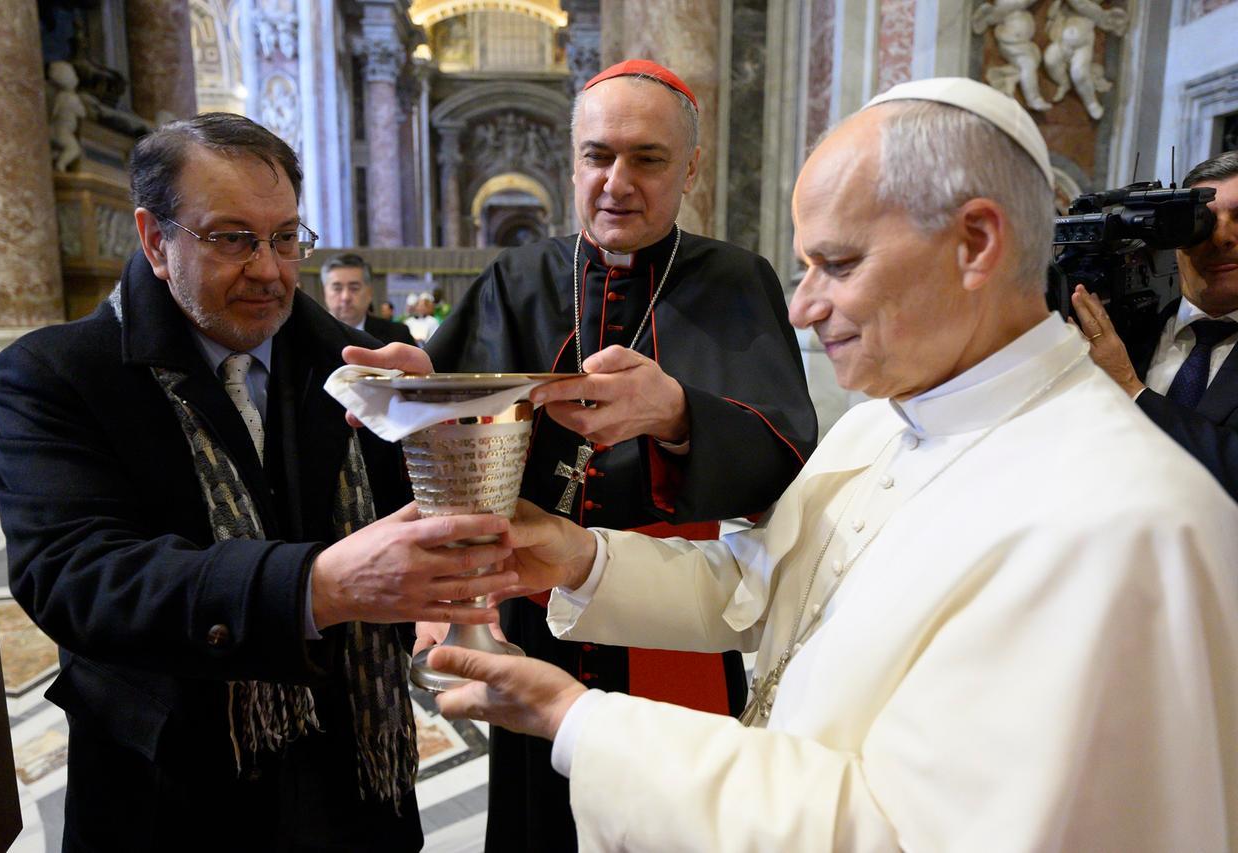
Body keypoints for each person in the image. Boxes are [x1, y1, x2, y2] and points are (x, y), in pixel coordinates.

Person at [426, 78, 1238, 850]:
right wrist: (580, 557)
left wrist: (583, 722)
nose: (802, 307)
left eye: (839, 265)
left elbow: (907, 832)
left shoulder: (1114, 522)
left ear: (976, 243)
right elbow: (761, 586)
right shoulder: (880, 422)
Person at [0, 113, 519, 851]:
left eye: (286, 237)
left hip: (352, 780)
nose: (269, 270)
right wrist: (314, 587)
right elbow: (75, 577)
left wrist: (436, 439)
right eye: (233, 239)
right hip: (171, 790)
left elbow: (418, 533)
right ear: (155, 240)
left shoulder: (359, 361)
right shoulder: (58, 374)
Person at [393, 58, 817, 852]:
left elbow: (786, 463)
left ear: (690, 168)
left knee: (669, 815)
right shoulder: (516, 278)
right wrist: (412, 398)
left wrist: (681, 416)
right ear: (572, 161)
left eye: (647, 159)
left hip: (675, 607)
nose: (617, 182)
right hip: (531, 606)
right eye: (598, 156)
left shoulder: (736, 281)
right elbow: (446, 446)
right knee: (540, 822)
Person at [1073, 150, 1238, 499]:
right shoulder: (1125, 331)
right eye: (1204, 222)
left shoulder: (1116, 363)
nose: (1222, 237)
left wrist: (1130, 388)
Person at [320, 251, 412, 344]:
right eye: (337, 288)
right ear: (324, 292)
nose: (345, 297)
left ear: (369, 292)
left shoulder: (398, 335)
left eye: (354, 288)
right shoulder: (311, 334)